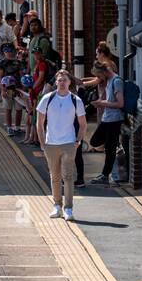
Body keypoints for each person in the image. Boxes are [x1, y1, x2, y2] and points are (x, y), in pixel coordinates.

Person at [36, 69, 87, 221]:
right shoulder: (47, 98)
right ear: (56, 82)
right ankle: (57, 206)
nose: (62, 82)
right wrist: (42, 142)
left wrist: (78, 141)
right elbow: (39, 122)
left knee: (68, 176)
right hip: (51, 143)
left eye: (65, 80)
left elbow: (83, 124)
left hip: (69, 143)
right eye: (59, 80)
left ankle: (68, 208)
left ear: (70, 82)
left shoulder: (75, 100)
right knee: (55, 176)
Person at [89, 61, 125, 183]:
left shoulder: (117, 81)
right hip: (107, 118)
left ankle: (105, 175)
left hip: (114, 120)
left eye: (99, 76)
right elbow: (110, 99)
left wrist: (102, 103)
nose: (99, 79)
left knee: (109, 149)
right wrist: (100, 102)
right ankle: (115, 145)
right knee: (94, 141)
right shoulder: (109, 81)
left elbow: (120, 103)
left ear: (104, 72)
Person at [0, 43, 24, 135]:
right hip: (7, 89)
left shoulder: (18, 63)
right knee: (8, 108)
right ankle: (9, 127)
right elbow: (0, 77)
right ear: (3, 52)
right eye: (6, 51)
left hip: (17, 88)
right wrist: (2, 89)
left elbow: (21, 76)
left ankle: (17, 127)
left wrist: (22, 89)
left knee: (19, 109)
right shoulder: (2, 63)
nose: (8, 53)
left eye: (10, 51)